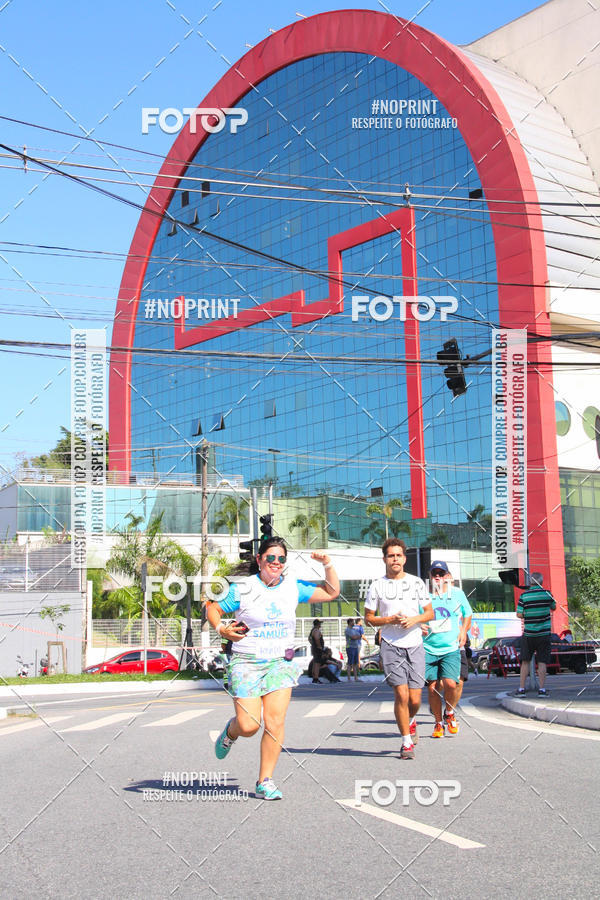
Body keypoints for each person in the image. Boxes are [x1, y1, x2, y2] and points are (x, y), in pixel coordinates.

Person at [206, 537, 340, 800]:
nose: (276, 563)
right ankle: (231, 732)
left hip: (280, 663)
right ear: (259, 560)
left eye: (281, 559)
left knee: (275, 722)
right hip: (246, 662)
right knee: (249, 725)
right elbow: (213, 609)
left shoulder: (293, 587)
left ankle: (265, 780)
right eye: (271, 558)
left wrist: (328, 564)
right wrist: (222, 629)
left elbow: (331, 592)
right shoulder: (243, 588)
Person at [364, 538, 433, 759]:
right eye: (391, 555)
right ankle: (405, 743)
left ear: (404, 558)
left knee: (415, 699)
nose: (395, 559)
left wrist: (414, 620)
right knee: (401, 695)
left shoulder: (416, 583)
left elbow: (429, 613)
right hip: (391, 645)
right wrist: (390, 620)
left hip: (415, 645)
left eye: (398, 555)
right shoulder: (376, 585)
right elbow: (369, 618)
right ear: (384, 559)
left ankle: (411, 720)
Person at [423, 562, 472, 737]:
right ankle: (438, 723)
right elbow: (417, 616)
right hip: (429, 648)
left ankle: (449, 713)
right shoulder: (424, 595)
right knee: (432, 688)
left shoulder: (457, 593)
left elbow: (468, 613)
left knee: (452, 683)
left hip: (451, 647)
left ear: (447, 575)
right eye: (434, 573)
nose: (437, 576)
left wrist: (464, 632)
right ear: (430, 575)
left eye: (441, 573)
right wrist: (420, 625)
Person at [515, 572, 556, 697]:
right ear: (541, 582)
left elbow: (519, 614)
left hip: (529, 634)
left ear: (530, 582)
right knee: (542, 662)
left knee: (525, 661)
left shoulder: (524, 596)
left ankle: (521, 689)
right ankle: (542, 690)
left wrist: (529, 613)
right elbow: (553, 607)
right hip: (544, 634)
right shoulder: (547, 594)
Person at [308, 618, 325, 683]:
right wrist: (319, 646)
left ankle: (314, 677)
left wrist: (313, 644)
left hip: (314, 648)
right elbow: (317, 639)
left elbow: (309, 639)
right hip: (317, 649)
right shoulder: (316, 631)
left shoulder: (312, 630)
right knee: (317, 664)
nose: (320, 625)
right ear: (317, 624)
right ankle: (316, 678)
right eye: (320, 623)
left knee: (315, 662)